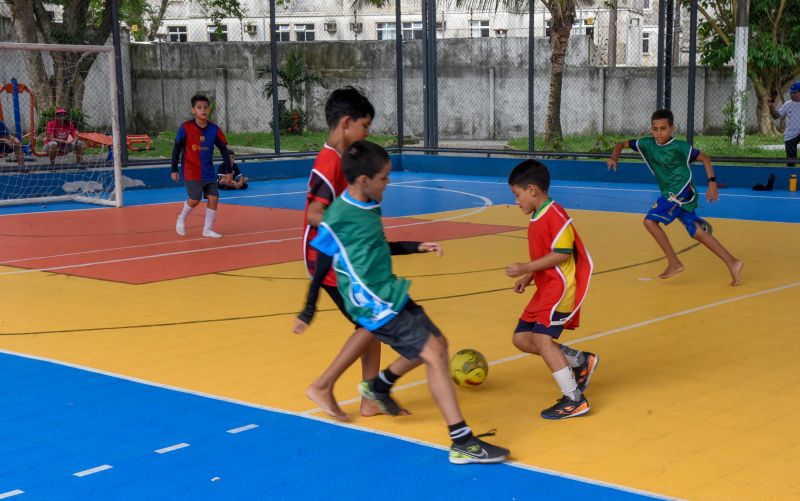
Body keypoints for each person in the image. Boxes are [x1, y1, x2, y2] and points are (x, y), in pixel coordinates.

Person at [310, 140, 509, 464]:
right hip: (375, 303)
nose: (388, 183)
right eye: (384, 178)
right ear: (364, 180)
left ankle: (380, 385)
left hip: (390, 291)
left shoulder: (369, 202)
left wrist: (416, 247)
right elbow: (322, 260)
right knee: (433, 354)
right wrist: (308, 307)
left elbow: (377, 245)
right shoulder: (340, 216)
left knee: (439, 345)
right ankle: (461, 440)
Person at [293, 86, 397, 421]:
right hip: (326, 261)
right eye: (365, 126)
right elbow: (313, 214)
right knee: (373, 321)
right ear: (347, 123)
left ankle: (370, 397)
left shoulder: (347, 160)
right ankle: (324, 386)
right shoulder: (329, 163)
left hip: (346, 259)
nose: (368, 133)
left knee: (373, 322)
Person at [505, 160, 598, 420]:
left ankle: (574, 399)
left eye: (517, 194)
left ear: (532, 189)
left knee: (543, 340)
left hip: (560, 289)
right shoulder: (538, 215)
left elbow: (561, 253)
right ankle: (579, 360)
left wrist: (527, 265)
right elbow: (547, 254)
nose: (516, 201)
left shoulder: (555, 213)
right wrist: (530, 275)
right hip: (545, 288)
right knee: (522, 338)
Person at [608, 109, 743, 285]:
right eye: (655, 129)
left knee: (649, 221)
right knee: (697, 232)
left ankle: (674, 262)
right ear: (651, 129)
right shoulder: (646, 144)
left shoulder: (680, 147)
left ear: (672, 129)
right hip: (671, 193)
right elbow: (620, 144)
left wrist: (712, 183)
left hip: (680, 191)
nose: (659, 133)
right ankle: (733, 262)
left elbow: (706, 158)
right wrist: (614, 158)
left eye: (663, 128)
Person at [171, 94, 231, 238]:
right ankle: (181, 217)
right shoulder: (185, 128)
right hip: (191, 170)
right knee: (195, 199)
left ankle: (207, 230)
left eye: (205, 107)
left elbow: (223, 149)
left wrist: (229, 170)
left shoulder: (214, 129)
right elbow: (177, 148)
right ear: (193, 110)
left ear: (209, 110)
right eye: (199, 108)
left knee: (214, 198)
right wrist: (173, 169)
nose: (203, 110)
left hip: (208, 171)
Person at [768, 82, 800, 167]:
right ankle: (791, 176)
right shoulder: (788, 104)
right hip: (791, 134)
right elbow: (776, 116)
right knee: (790, 162)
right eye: (791, 93)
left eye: (795, 92)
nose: (792, 95)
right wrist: (771, 106)